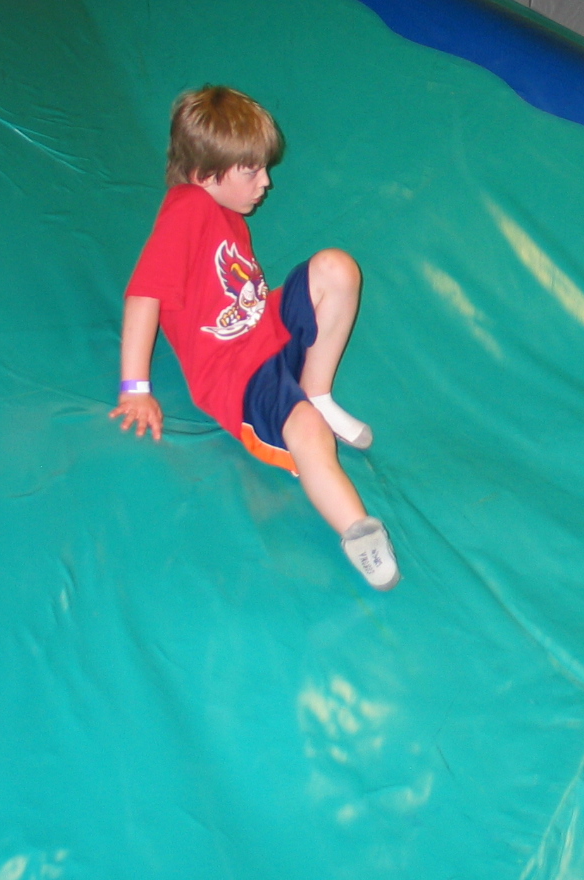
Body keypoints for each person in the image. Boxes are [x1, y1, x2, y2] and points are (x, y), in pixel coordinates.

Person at [110, 86, 400, 590]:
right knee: (307, 432)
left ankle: (317, 392)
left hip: (264, 327)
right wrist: (135, 387)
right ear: (205, 176)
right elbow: (143, 294)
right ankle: (358, 531)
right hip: (238, 374)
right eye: (251, 171)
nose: (265, 182)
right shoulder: (187, 209)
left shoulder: (222, 209)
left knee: (336, 268)